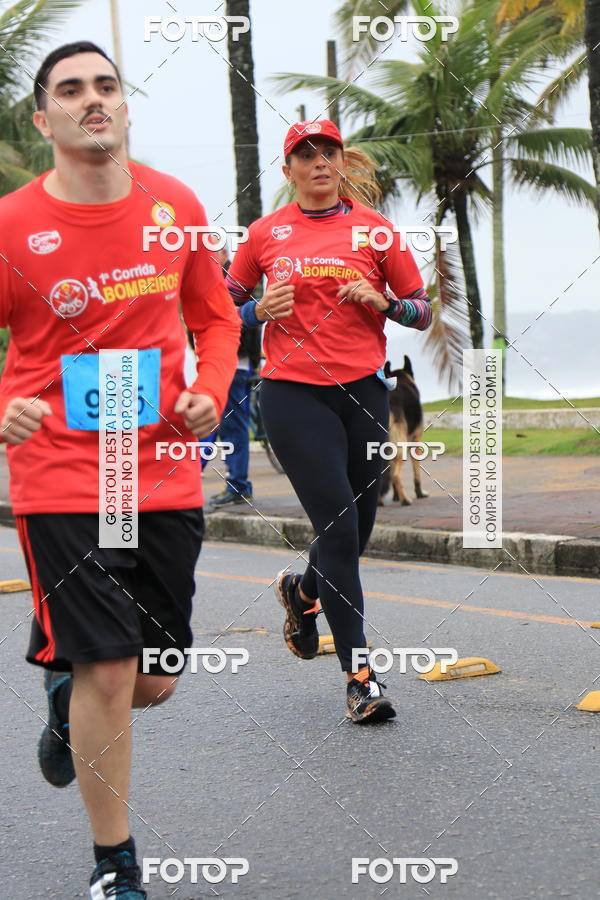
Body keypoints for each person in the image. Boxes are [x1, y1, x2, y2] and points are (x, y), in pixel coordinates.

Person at [0, 42, 240, 898]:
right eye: (71, 90)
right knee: (108, 667)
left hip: (161, 469)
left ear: (125, 105)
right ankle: (116, 868)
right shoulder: (10, 224)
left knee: (152, 680)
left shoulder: (174, 206)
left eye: (106, 86)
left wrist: (209, 391)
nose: (92, 100)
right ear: (45, 118)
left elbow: (217, 321)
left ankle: (66, 690)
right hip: (62, 469)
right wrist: (4, 415)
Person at [226, 120, 432, 724]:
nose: (318, 162)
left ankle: (304, 591)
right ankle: (360, 679)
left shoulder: (376, 230)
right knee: (339, 530)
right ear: (287, 170)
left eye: (328, 152)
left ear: (342, 162)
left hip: (364, 394)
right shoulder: (264, 234)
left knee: (355, 534)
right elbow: (218, 310)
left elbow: (421, 311)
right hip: (292, 396)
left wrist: (384, 303)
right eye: (304, 155)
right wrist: (256, 308)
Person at [209, 245, 262, 508]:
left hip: (231, 364)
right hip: (224, 364)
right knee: (218, 425)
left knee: (231, 426)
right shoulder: (218, 278)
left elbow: (247, 321)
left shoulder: (230, 280)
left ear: (221, 254)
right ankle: (236, 483)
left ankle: (238, 485)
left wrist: (251, 362)